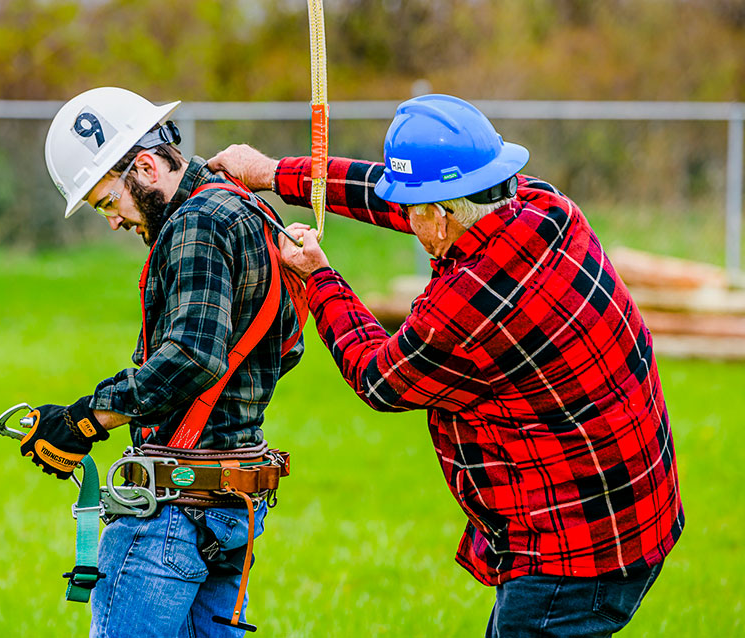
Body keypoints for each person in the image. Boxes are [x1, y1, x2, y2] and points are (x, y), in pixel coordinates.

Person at [208, 94, 684, 637]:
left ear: (438, 216)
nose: (405, 218)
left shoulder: (464, 305)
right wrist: (275, 173)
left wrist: (319, 277)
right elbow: (395, 198)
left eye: (414, 210)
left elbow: (378, 377)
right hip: (633, 512)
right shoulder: (541, 205)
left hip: (573, 554)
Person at [29, 87, 304, 637]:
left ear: (146, 168)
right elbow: (287, 345)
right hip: (237, 507)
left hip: (174, 509)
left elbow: (191, 356)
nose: (112, 222)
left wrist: (87, 418)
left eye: (109, 203)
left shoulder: (194, 224)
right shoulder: (246, 207)